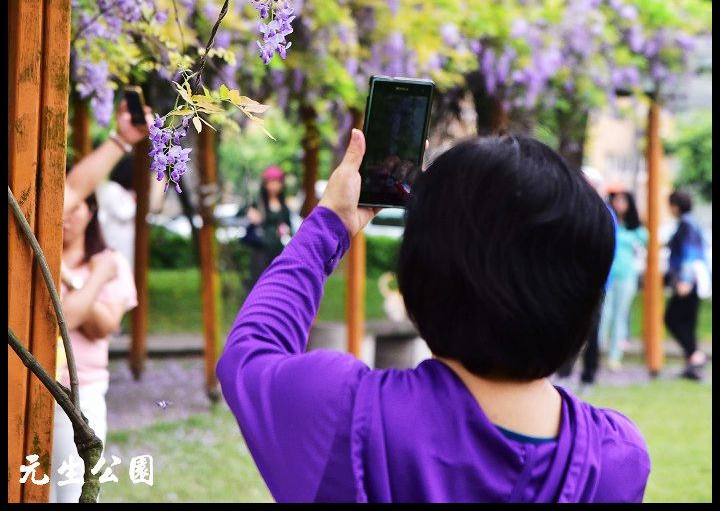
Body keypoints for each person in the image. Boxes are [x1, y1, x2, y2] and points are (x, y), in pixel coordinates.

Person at [218, 133, 650, 503]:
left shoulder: (342, 413)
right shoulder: (617, 460)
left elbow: (250, 352)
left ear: (416, 284)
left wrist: (329, 224)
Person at [50, 100, 149, 502]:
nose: (70, 212)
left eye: (79, 208)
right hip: (35, 380)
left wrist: (122, 141)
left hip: (80, 386)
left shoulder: (109, 261)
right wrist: (89, 281)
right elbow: (70, 315)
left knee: (70, 488)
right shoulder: (43, 252)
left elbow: (104, 324)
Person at [556, 165, 614, 388]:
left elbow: (609, 248)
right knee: (567, 326)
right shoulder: (568, 209)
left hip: (594, 281)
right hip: (570, 280)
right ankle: (564, 372)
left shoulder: (604, 213)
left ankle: (589, 374)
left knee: (591, 328)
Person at [600, 188, 647, 370]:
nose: (619, 204)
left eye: (623, 201)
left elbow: (645, 246)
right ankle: (598, 349)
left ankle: (614, 355)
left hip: (626, 276)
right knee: (605, 314)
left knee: (620, 315)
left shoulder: (636, 230)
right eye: (617, 200)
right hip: (607, 276)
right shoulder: (609, 223)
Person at [664, 189, 710, 380]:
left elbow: (689, 253)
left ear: (676, 206)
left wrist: (685, 280)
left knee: (672, 318)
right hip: (698, 279)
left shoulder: (686, 225)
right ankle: (692, 365)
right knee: (687, 322)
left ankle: (695, 356)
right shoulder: (692, 223)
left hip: (690, 280)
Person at [242, 166, 293, 287]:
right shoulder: (259, 202)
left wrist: (286, 229)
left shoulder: (284, 205)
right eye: (271, 182)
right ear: (265, 184)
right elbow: (241, 211)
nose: (274, 186)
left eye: (277, 183)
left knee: (278, 283)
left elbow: (289, 225)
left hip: (278, 250)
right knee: (260, 283)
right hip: (261, 250)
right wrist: (250, 213)